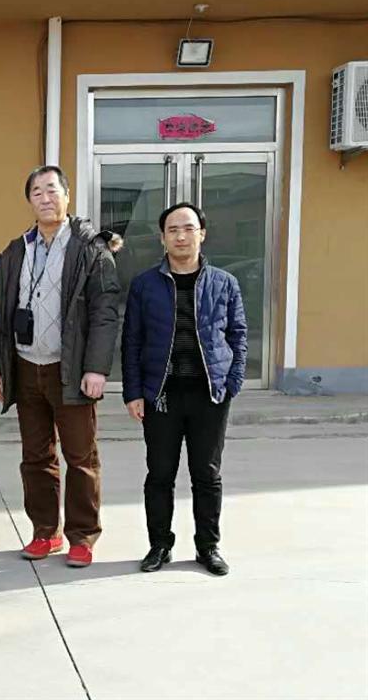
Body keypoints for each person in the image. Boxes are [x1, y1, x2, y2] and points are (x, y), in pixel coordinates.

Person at [0, 165, 121, 568]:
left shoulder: (90, 249)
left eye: (51, 190)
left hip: (71, 369)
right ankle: (46, 531)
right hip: (27, 366)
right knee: (35, 457)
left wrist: (96, 368)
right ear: (29, 200)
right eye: (36, 192)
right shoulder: (17, 250)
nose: (45, 198)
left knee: (80, 457)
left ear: (66, 196)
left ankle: (82, 536)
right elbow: (0, 313)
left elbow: (105, 312)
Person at [122, 201, 247, 576]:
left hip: (209, 393)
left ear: (202, 234)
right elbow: (132, 341)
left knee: (206, 474)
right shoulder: (145, 285)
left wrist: (232, 381)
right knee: (160, 473)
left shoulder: (225, 283)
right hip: (161, 394)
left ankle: (208, 546)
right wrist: (133, 392)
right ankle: (159, 545)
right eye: (172, 230)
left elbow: (238, 335)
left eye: (188, 228)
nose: (181, 236)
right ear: (162, 238)